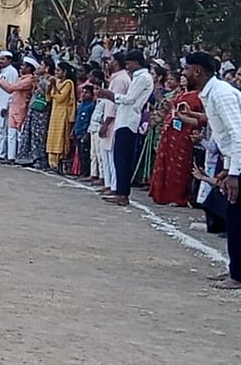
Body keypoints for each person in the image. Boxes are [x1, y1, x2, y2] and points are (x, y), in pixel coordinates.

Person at [178, 52, 241, 290]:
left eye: (187, 69)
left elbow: (237, 133)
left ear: (198, 71)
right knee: (233, 217)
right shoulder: (211, 93)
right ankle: (235, 269)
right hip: (233, 160)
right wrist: (228, 168)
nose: (183, 74)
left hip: (239, 162)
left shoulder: (222, 94)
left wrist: (234, 173)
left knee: (236, 217)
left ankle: (238, 274)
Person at [96, 50, 154, 206]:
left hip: (129, 121)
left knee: (122, 158)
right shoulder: (138, 77)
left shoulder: (143, 78)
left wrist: (110, 95)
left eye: (129, 63)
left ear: (136, 62)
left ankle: (123, 193)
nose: (127, 66)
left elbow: (129, 99)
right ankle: (120, 191)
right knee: (119, 157)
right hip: (124, 119)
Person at [149, 75, 203, 206]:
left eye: (186, 76)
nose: (184, 78)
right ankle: (162, 193)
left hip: (184, 133)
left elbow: (195, 116)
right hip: (171, 131)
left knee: (179, 164)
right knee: (166, 161)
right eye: (182, 76)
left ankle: (177, 197)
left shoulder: (198, 96)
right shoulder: (182, 93)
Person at [45, 62, 76, 171]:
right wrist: (49, 88)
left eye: (59, 70)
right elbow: (48, 99)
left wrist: (53, 86)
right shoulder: (56, 82)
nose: (56, 72)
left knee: (60, 138)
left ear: (65, 72)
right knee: (52, 137)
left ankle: (58, 162)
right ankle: (51, 163)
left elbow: (60, 98)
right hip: (54, 113)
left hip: (63, 113)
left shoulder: (68, 83)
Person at [0, 51, 18, 162]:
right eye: (0, 59)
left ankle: (2, 153)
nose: (0, 61)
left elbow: (12, 90)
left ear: (9, 60)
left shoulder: (12, 72)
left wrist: (7, 105)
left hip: (4, 104)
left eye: (3, 59)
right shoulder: (1, 72)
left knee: (2, 130)